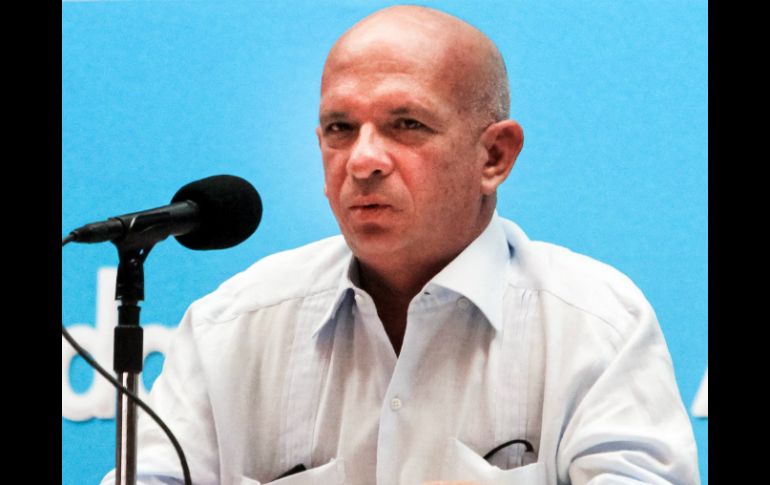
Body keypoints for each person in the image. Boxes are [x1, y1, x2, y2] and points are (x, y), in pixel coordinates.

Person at [101, 5, 699, 485]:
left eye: (406, 124)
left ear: (494, 156)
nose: (362, 160)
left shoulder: (595, 325)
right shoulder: (230, 328)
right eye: (340, 129)